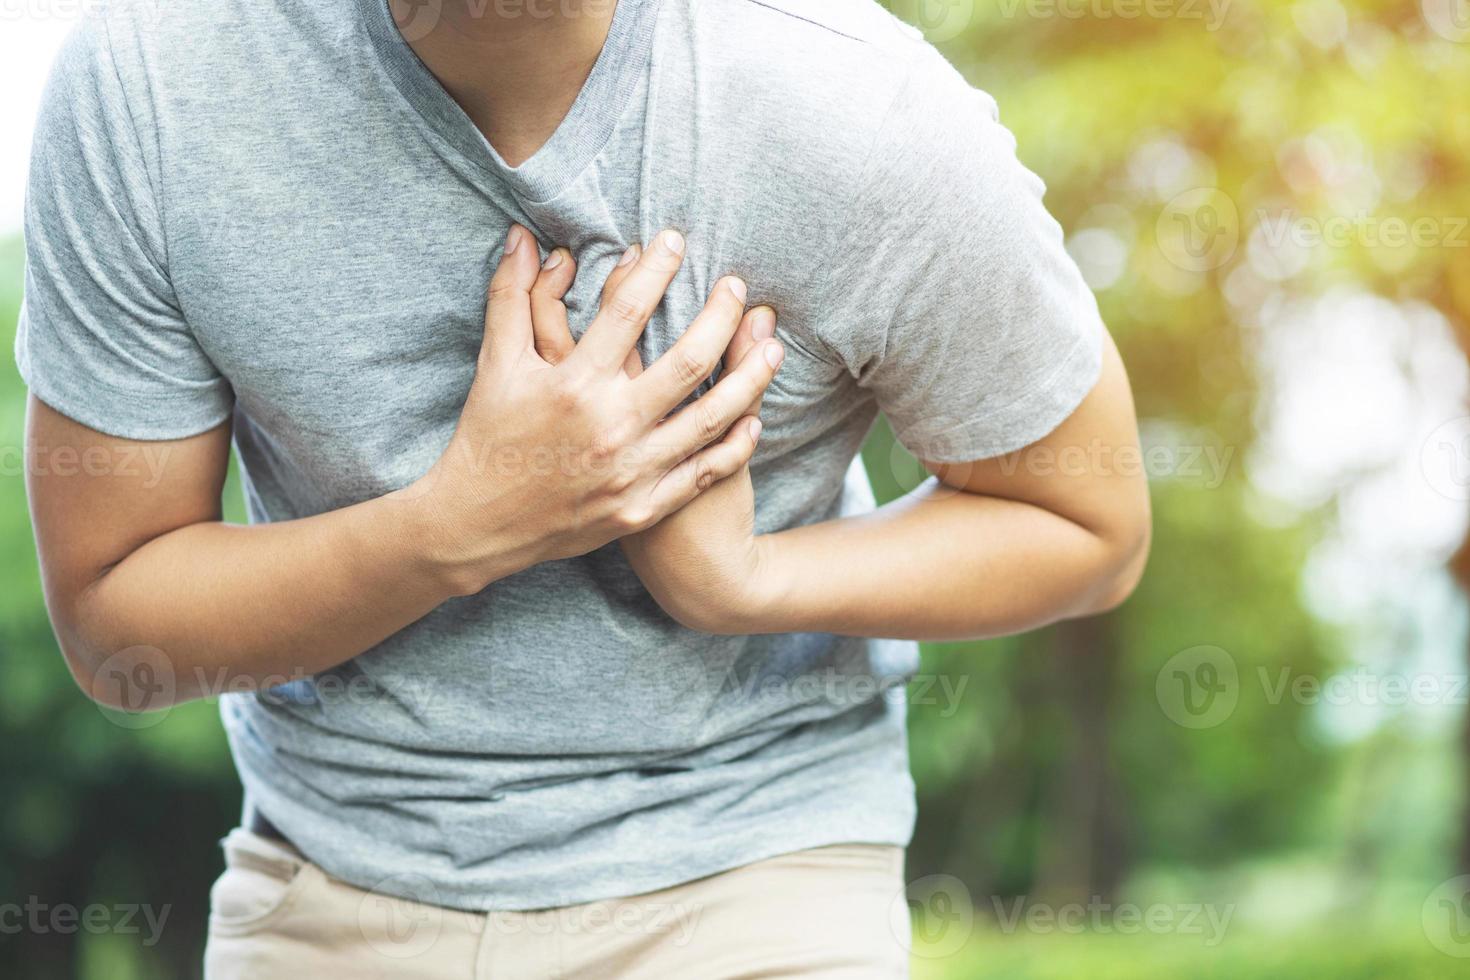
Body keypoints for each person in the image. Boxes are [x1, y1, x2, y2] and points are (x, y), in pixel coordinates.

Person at [17, 0, 1151, 975]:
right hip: (332, 887)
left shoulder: (856, 105)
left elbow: (1088, 525)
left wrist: (747, 579)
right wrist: (459, 525)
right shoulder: (153, 86)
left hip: (756, 875)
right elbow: (118, 627)